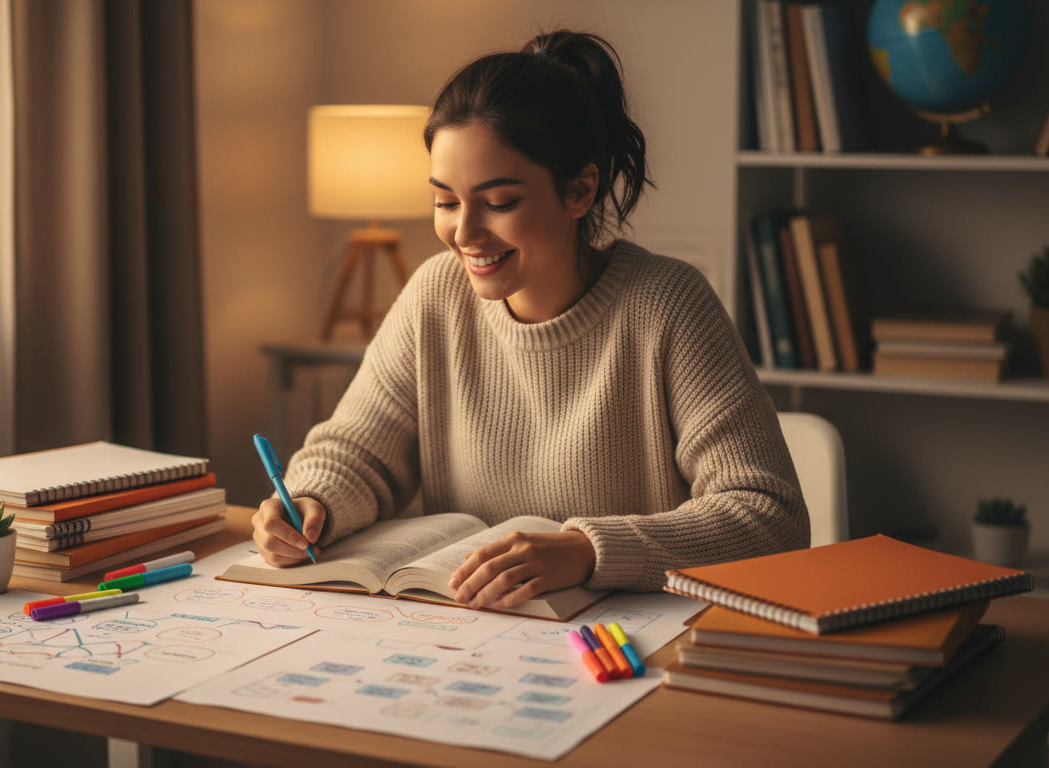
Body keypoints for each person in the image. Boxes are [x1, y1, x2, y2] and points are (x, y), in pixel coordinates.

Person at [252, 29, 809, 610]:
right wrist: (311, 503)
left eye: (498, 203)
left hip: (626, 642)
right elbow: (357, 453)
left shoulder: (667, 304)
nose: (463, 234)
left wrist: (586, 550)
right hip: (468, 637)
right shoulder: (434, 297)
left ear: (580, 190)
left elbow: (770, 517)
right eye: (445, 201)